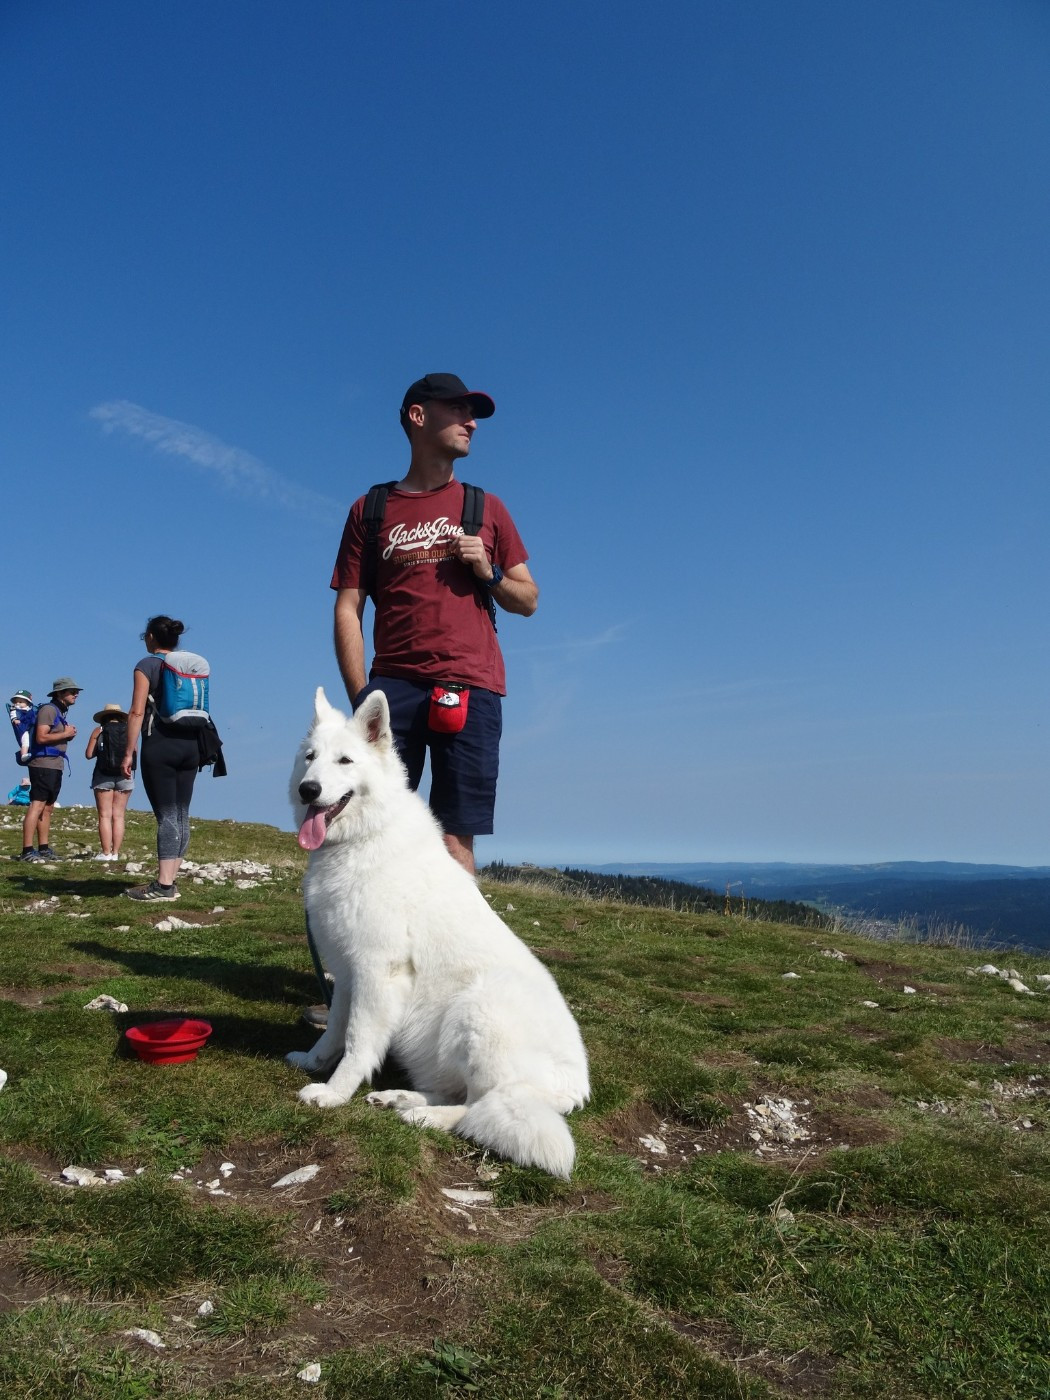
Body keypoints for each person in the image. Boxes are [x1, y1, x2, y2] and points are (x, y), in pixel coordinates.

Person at [331, 372, 539, 874]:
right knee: (371, 827)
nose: (471, 422)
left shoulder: (486, 507)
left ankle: (451, 952)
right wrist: (364, 699)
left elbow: (527, 599)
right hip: (393, 689)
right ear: (418, 416)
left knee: (454, 836)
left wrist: (487, 572)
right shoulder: (371, 510)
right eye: (459, 410)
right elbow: (347, 608)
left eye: (474, 415)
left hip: (471, 686)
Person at [121, 616, 201, 901]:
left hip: (161, 746)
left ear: (152, 638)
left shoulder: (147, 665)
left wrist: (129, 750)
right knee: (181, 813)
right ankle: (171, 879)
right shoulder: (190, 665)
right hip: (192, 746)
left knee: (166, 815)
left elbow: (136, 712)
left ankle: (164, 886)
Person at [18, 677, 81, 862]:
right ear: (60, 693)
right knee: (37, 805)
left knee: (47, 807)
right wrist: (66, 734)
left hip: (54, 764)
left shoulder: (58, 712)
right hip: (43, 764)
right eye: (72, 691)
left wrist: (66, 736)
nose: (76, 694)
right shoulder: (48, 710)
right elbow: (41, 738)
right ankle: (27, 850)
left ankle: (43, 848)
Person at [85, 702, 135, 861]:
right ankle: (115, 853)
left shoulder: (98, 731)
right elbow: (133, 753)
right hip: (124, 775)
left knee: (105, 816)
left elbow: (88, 754)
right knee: (119, 816)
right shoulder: (129, 731)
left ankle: (106, 853)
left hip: (103, 775)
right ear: (121, 717)